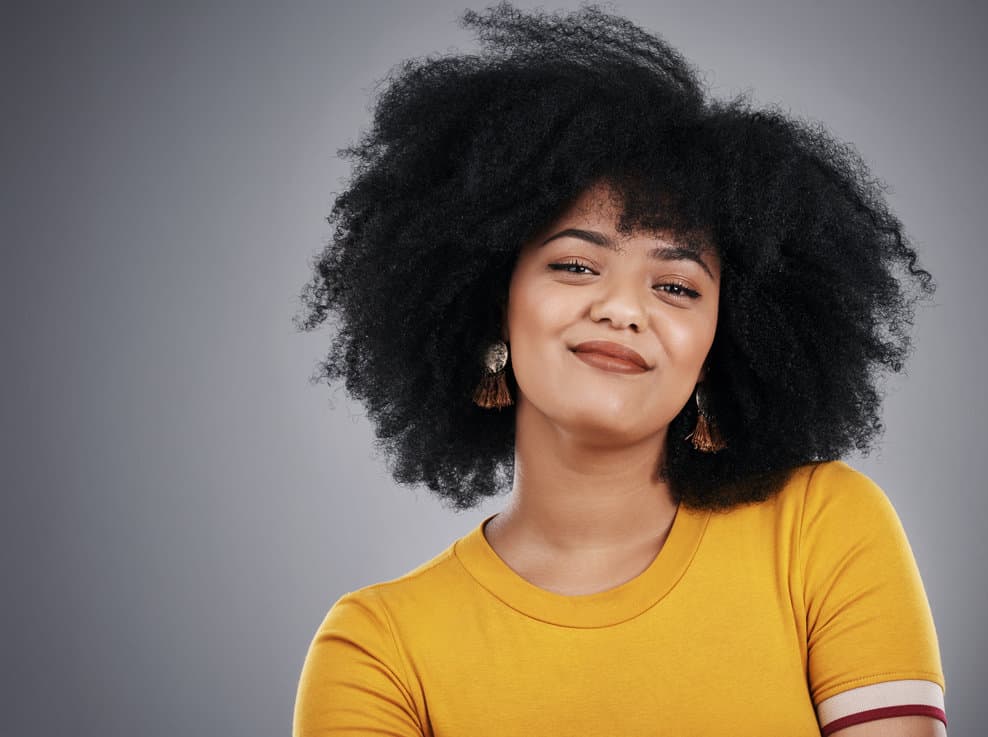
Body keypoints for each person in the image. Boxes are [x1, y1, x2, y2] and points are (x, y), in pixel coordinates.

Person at [291, 3, 946, 735]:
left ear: (721, 344)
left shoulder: (820, 529)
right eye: (576, 264)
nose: (624, 309)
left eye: (677, 287)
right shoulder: (378, 651)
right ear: (490, 304)